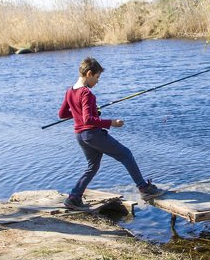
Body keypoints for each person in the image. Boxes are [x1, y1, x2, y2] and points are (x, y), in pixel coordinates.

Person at [58, 57, 163, 210]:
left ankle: (74, 198)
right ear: (89, 74)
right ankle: (144, 188)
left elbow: (63, 114)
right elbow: (88, 119)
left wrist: (92, 113)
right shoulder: (86, 93)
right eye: (97, 77)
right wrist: (111, 123)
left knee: (92, 167)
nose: (97, 81)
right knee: (126, 154)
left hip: (80, 136)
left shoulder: (70, 91)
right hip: (93, 134)